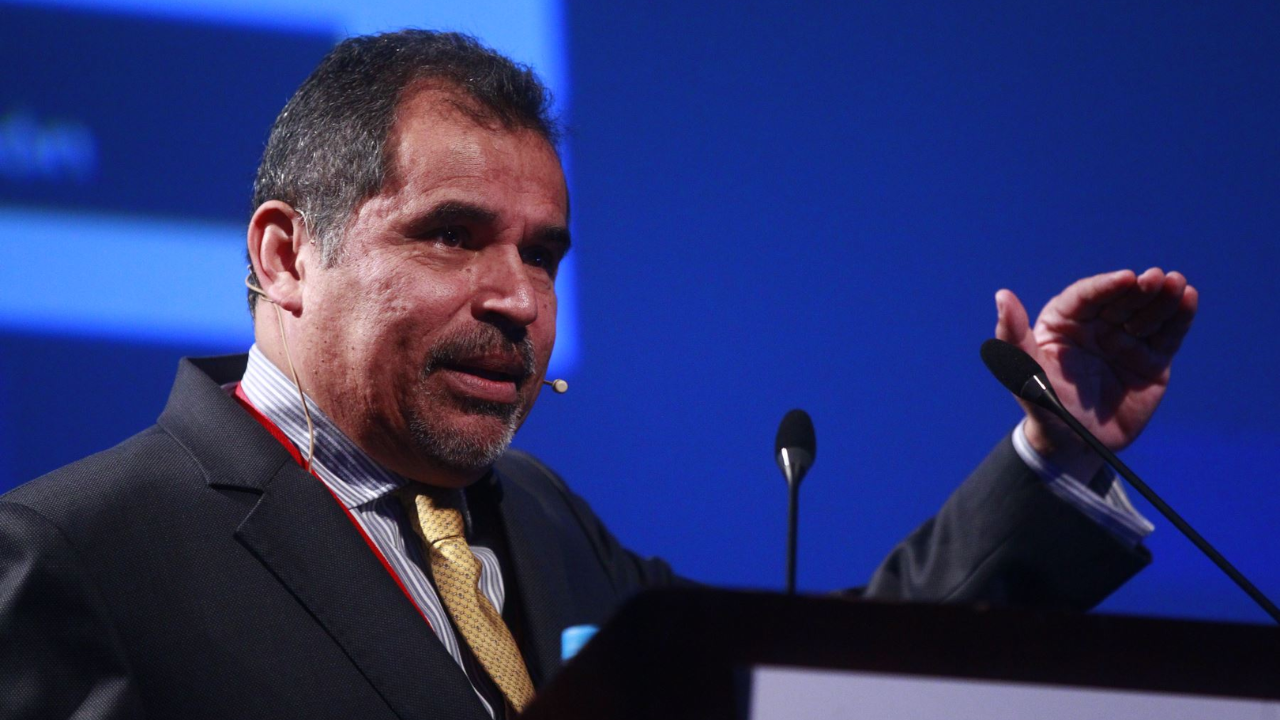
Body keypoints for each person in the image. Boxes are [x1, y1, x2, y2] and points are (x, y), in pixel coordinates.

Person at [0, 30, 1196, 720]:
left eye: (543, 255)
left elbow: (811, 681)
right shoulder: (79, 553)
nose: (518, 300)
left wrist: (1053, 456)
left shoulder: (537, 516)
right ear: (284, 255)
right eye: (451, 235)